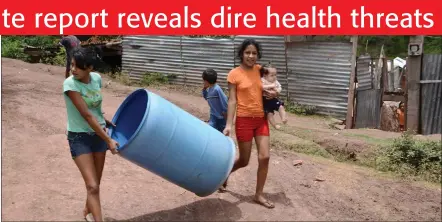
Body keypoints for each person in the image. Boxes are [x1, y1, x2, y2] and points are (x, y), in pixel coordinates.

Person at [63, 46, 119, 221]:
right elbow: (86, 114)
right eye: (72, 65)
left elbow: (94, 107)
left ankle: (87, 211)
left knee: (95, 184)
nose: (73, 70)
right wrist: (109, 140)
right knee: (93, 185)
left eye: (78, 66)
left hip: (98, 135)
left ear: (90, 68)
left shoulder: (96, 79)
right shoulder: (70, 84)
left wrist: (104, 119)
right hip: (79, 137)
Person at [221, 38, 279, 209]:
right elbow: (232, 101)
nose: (251, 56)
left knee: (265, 157)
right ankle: (224, 174)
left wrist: (273, 95)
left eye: (254, 53)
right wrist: (228, 124)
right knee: (244, 160)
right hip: (244, 120)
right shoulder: (234, 74)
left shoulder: (261, 70)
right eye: (247, 52)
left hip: (261, 119)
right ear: (242, 54)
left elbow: (272, 86)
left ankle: (258, 194)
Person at [260, 64, 288, 129]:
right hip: (265, 101)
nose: (274, 77)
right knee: (269, 114)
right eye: (272, 75)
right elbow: (261, 87)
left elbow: (280, 87)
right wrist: (271, 86)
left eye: (275, 75)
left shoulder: (275, 81)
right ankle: (275, 125)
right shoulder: (262, 80)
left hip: (273, 99)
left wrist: (277, 91)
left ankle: (283, 118)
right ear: (264, 75)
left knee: (281, 107)